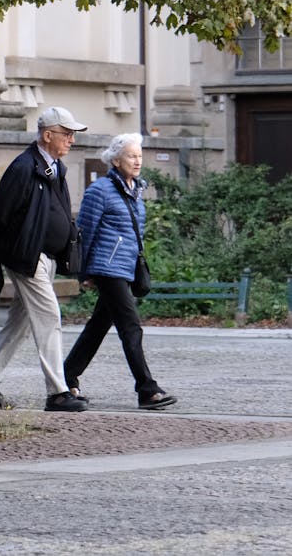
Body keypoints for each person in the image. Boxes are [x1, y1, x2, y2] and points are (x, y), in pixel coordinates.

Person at [0, 105, 88, 413]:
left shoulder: (54, 167)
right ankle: (58, 392)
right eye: (67, 134)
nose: (72, 140)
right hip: (28, 258)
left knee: (19, 325)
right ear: (48, 135)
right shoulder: (24, 167)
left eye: (73, 134)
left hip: (42, 257)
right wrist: (17, 252)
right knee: (49, 317)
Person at [63, 132, 177, 411]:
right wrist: (84, 272)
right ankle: (147, 390)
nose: (137, 161)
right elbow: (85, 232)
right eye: (131, 156)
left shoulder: (136, 189)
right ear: (115, 160)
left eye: (139, 156)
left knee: (98, 326)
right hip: (106, 266)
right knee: (131, 326)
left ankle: (65, 377)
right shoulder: (99, 190)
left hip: (125, 267)